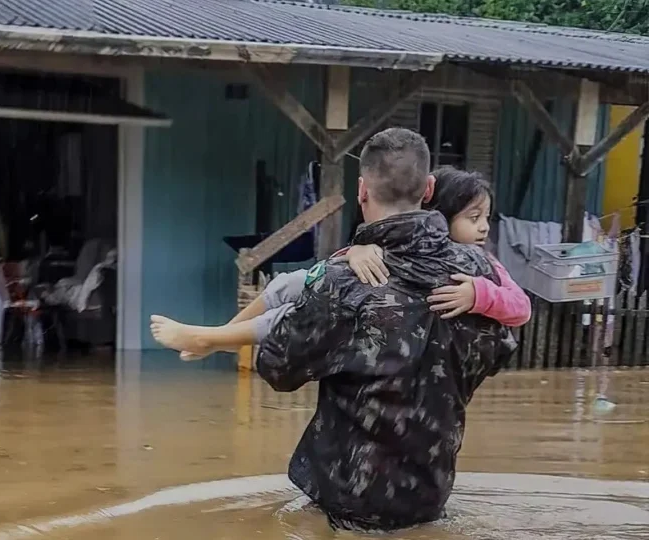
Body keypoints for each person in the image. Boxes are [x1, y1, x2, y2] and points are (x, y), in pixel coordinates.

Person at [159, 127, 517, 531]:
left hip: (350, 498)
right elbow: (500, 349)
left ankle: (210, 337)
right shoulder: (480, 272)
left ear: (362, 190)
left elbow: (278, 368)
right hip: (432, 492)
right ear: (429, 187)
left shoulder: (343, 280)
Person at [149, 167, 530, 358]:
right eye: (473, 217)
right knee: (290, 284)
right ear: (437, 211)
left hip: (399, 336)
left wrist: (479, 294)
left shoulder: (481, 265)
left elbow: (521, 308)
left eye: (485, 218)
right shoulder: (395, 240)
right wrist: (356, 251)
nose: (482, 228)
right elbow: (338, 271)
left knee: (298, 315)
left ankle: (211, 340)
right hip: (381, 323)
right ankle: (222, 337)